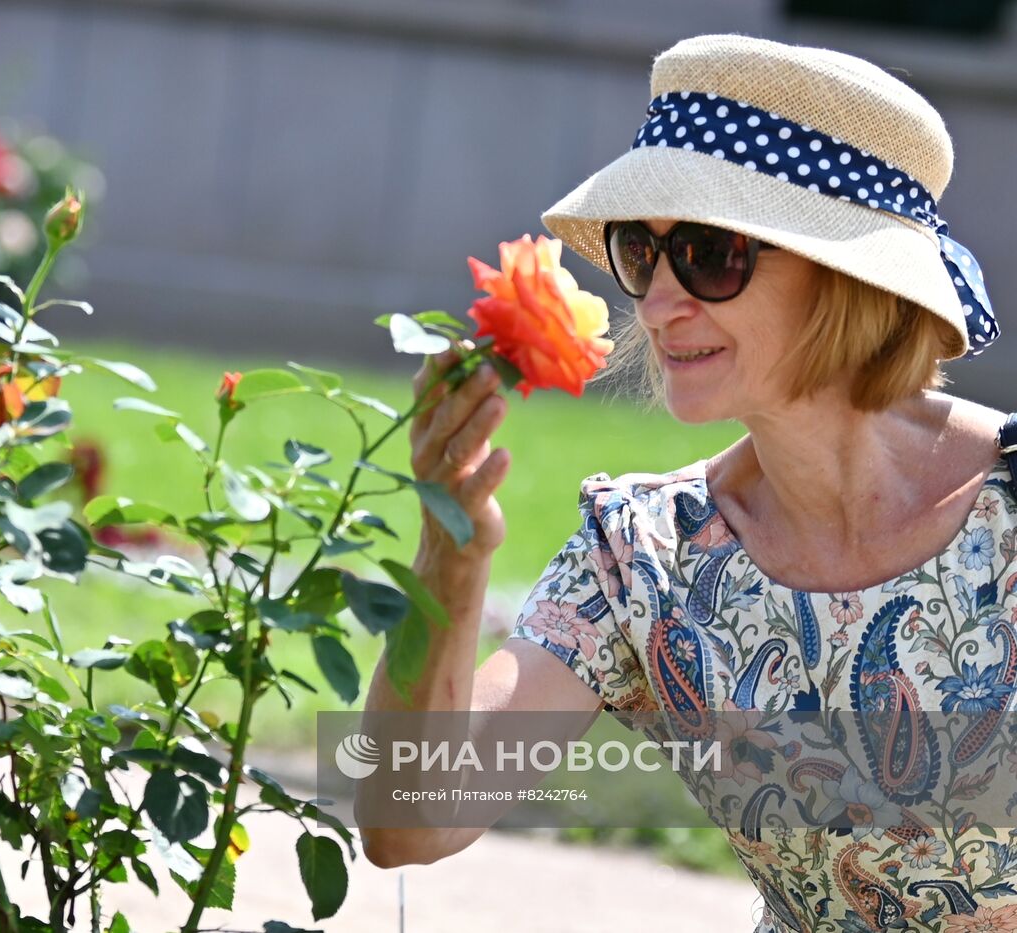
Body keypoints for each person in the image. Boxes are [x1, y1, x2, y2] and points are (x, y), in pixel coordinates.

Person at [357, 33, 1017, 933]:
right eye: (643, 251)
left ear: (847, 281)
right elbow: (411, 820)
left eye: (709, 252)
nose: (659, 302)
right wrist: (451, 555)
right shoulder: (646, 555)